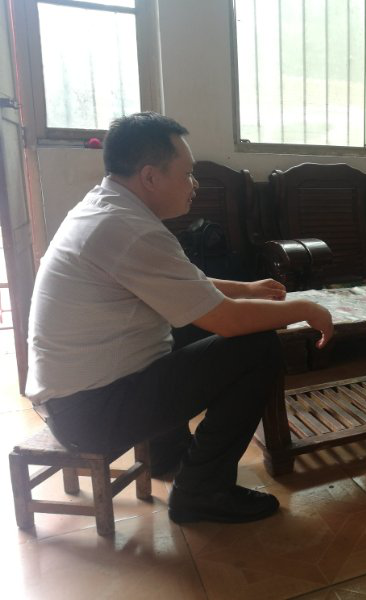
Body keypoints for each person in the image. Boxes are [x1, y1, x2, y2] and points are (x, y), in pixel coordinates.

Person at [25, 112, 334, 524]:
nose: (194, 184)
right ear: (150, 177)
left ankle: (168, 453)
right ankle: (202, 492)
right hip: (92, 413)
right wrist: (305, 308)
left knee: (187, 322)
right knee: (257, 348)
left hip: (79, 399)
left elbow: (181, 284)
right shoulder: (130, 229)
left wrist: (245, 289)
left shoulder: (107, 208)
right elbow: (227, 321)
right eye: (187, 174)